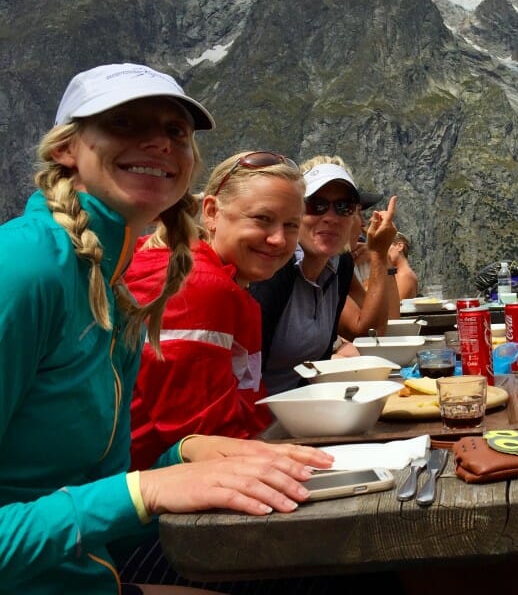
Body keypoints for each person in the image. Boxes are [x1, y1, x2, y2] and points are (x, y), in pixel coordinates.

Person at [0, 63, 331, 594]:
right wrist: (145, 491)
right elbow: (112, 499)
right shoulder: (23, 269)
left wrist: (186, 457)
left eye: (175, 132)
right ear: (67, 148)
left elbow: (84, 487)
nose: (157, 143)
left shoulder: (111, 287)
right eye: (126, 124)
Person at [124, 150, 307, 468]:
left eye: (291, 225)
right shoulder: (196, 287)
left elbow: (245, 412)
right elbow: (205, 439)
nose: (278, 239)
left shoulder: (220, 281)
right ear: (211, 212)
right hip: (144, 497)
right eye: (262, 219)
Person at [251, 157, 400, 396]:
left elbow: (371, 332)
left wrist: (379, 255)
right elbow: (246, 373)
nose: (330, 217)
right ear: (295, 212)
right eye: (316, 205)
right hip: (263, 415)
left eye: (344, 207)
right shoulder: (274, 271)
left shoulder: (338, 266)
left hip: (304, 406)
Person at [388, 231, 420, 299]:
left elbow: (395, 307)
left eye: (386, 246)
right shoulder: (399, 274)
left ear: (400, 246)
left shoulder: (404, 275)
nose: (383, 252)